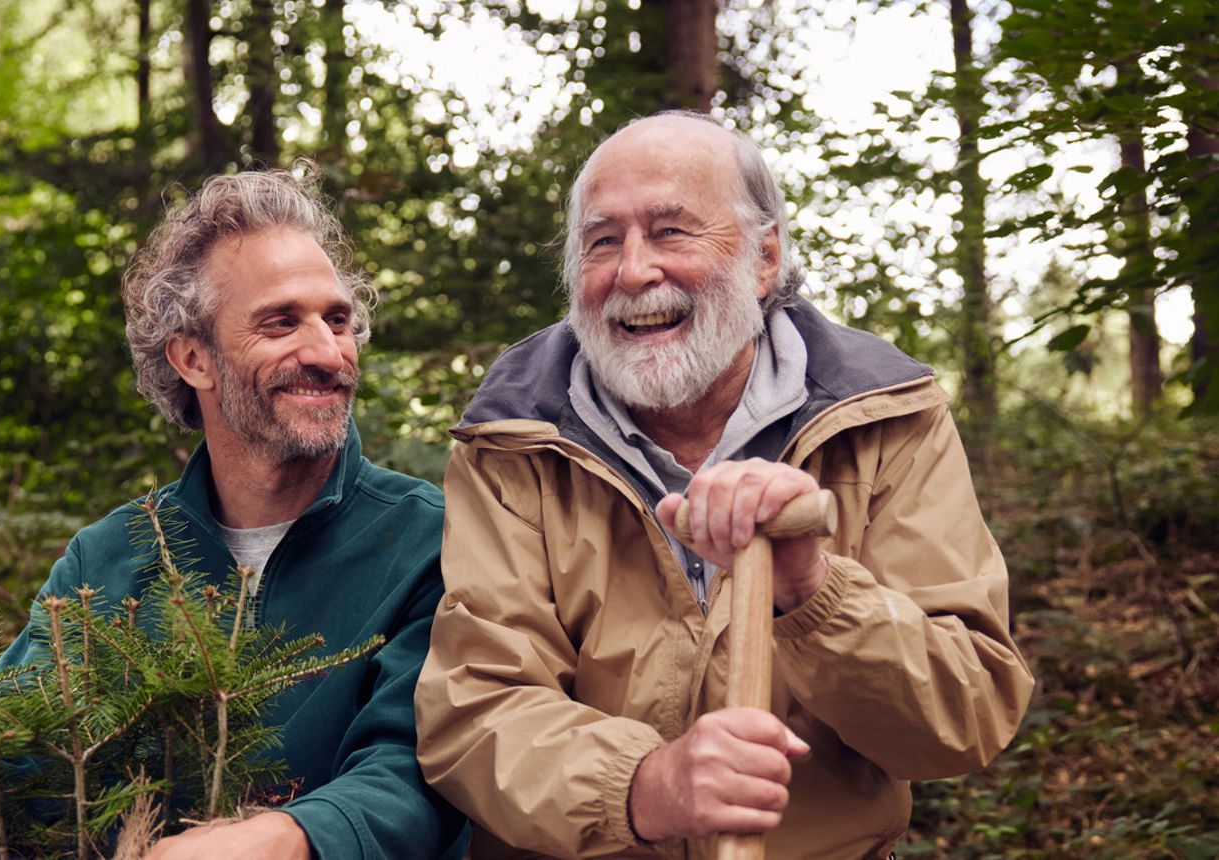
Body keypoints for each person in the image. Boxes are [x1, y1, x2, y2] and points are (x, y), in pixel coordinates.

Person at [414, 111, 1035, 859]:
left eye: (671, 231)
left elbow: (963, 721)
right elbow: (474, 711)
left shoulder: (887, 418)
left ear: (764, 257)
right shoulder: (511, 439)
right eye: (602, 241)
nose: (633, 272)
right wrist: (642, 786)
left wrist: (812, 591)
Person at [0, 164, 468, 860]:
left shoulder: (428, 540)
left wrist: (291, 838)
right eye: (281, 322)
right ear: (194, 359)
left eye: (338, 320)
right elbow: (7, 758)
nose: (328, 352)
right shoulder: (106, 562)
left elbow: (426, 766)